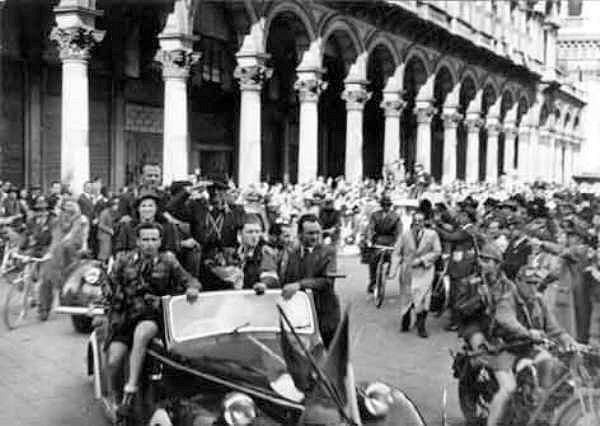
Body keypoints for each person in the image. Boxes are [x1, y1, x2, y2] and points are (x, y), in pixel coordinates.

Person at [106, 222, 201, 418]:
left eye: (153, 239)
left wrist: (192, 288)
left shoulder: (168, 260)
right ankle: (115, 398)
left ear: (160, 241)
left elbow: (190, 280)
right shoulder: (124, 260)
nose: (149, 243)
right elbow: (108, 283)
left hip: (152, 315)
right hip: (125, 317)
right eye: (145, 239)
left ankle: (130, 389)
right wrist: (111, 301)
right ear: (138, 241)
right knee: (114, 359)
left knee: (143, 333)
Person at [486, 265, 578, 426]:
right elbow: (506, 320)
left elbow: (552, 327)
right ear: (518, 281)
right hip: (504, 349)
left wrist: (566, 338)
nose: (533, 287)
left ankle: (538, 411)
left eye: (536, 283)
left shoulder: (539, 301)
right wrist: (528, 332)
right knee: (508, 389)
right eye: (529, 283)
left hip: (528, 348)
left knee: (551, 367)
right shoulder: (507, 300)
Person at [279, 214, 340, 347]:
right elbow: (284, 279)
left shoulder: (329, 252)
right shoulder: (292, 254)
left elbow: (327, 281)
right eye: (310, 233)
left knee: (330, 352)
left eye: (318, 233)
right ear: (300, 234)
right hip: (299, 314)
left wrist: (299, 284)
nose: (315, 237)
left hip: (325, 314)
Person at [388, 210, 441, 338]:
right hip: (408, 270)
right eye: (415, 221)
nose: (417, 223)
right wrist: (393, 270)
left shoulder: (432, 235)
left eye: (420, 221)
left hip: (425, 270)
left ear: (424, 222)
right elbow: (396, 252)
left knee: (423, 297)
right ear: (412, 222)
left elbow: (437, 251)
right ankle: (405, 321)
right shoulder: (405, 235)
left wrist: (422, 260)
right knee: (407, 296)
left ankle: (421, 326)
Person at [38, 198, 90, 320]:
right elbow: (54, 235)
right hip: (56, 253)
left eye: (71, 206)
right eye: (66, 207)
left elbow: (78, 235)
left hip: (71, 252)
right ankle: (44, 308)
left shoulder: (81, 219)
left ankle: (68, 301)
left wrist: (82, 245)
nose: (68, 210)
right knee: (47, 278)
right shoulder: (57, 220)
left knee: (70, 278)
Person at [364, 194, 402, 294]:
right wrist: (369, 239)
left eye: (388, 205)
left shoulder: (396, 216)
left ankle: (387, 272)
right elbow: (370, 228)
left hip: (390, 241)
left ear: (390, 206)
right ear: (381, 205)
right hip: (378, 240)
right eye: (384, 205)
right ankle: (373, 281)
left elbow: (399, 231)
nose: (386, 207)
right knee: (373, 260)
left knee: (391, 257)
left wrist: (398, 243)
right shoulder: (375, 215)